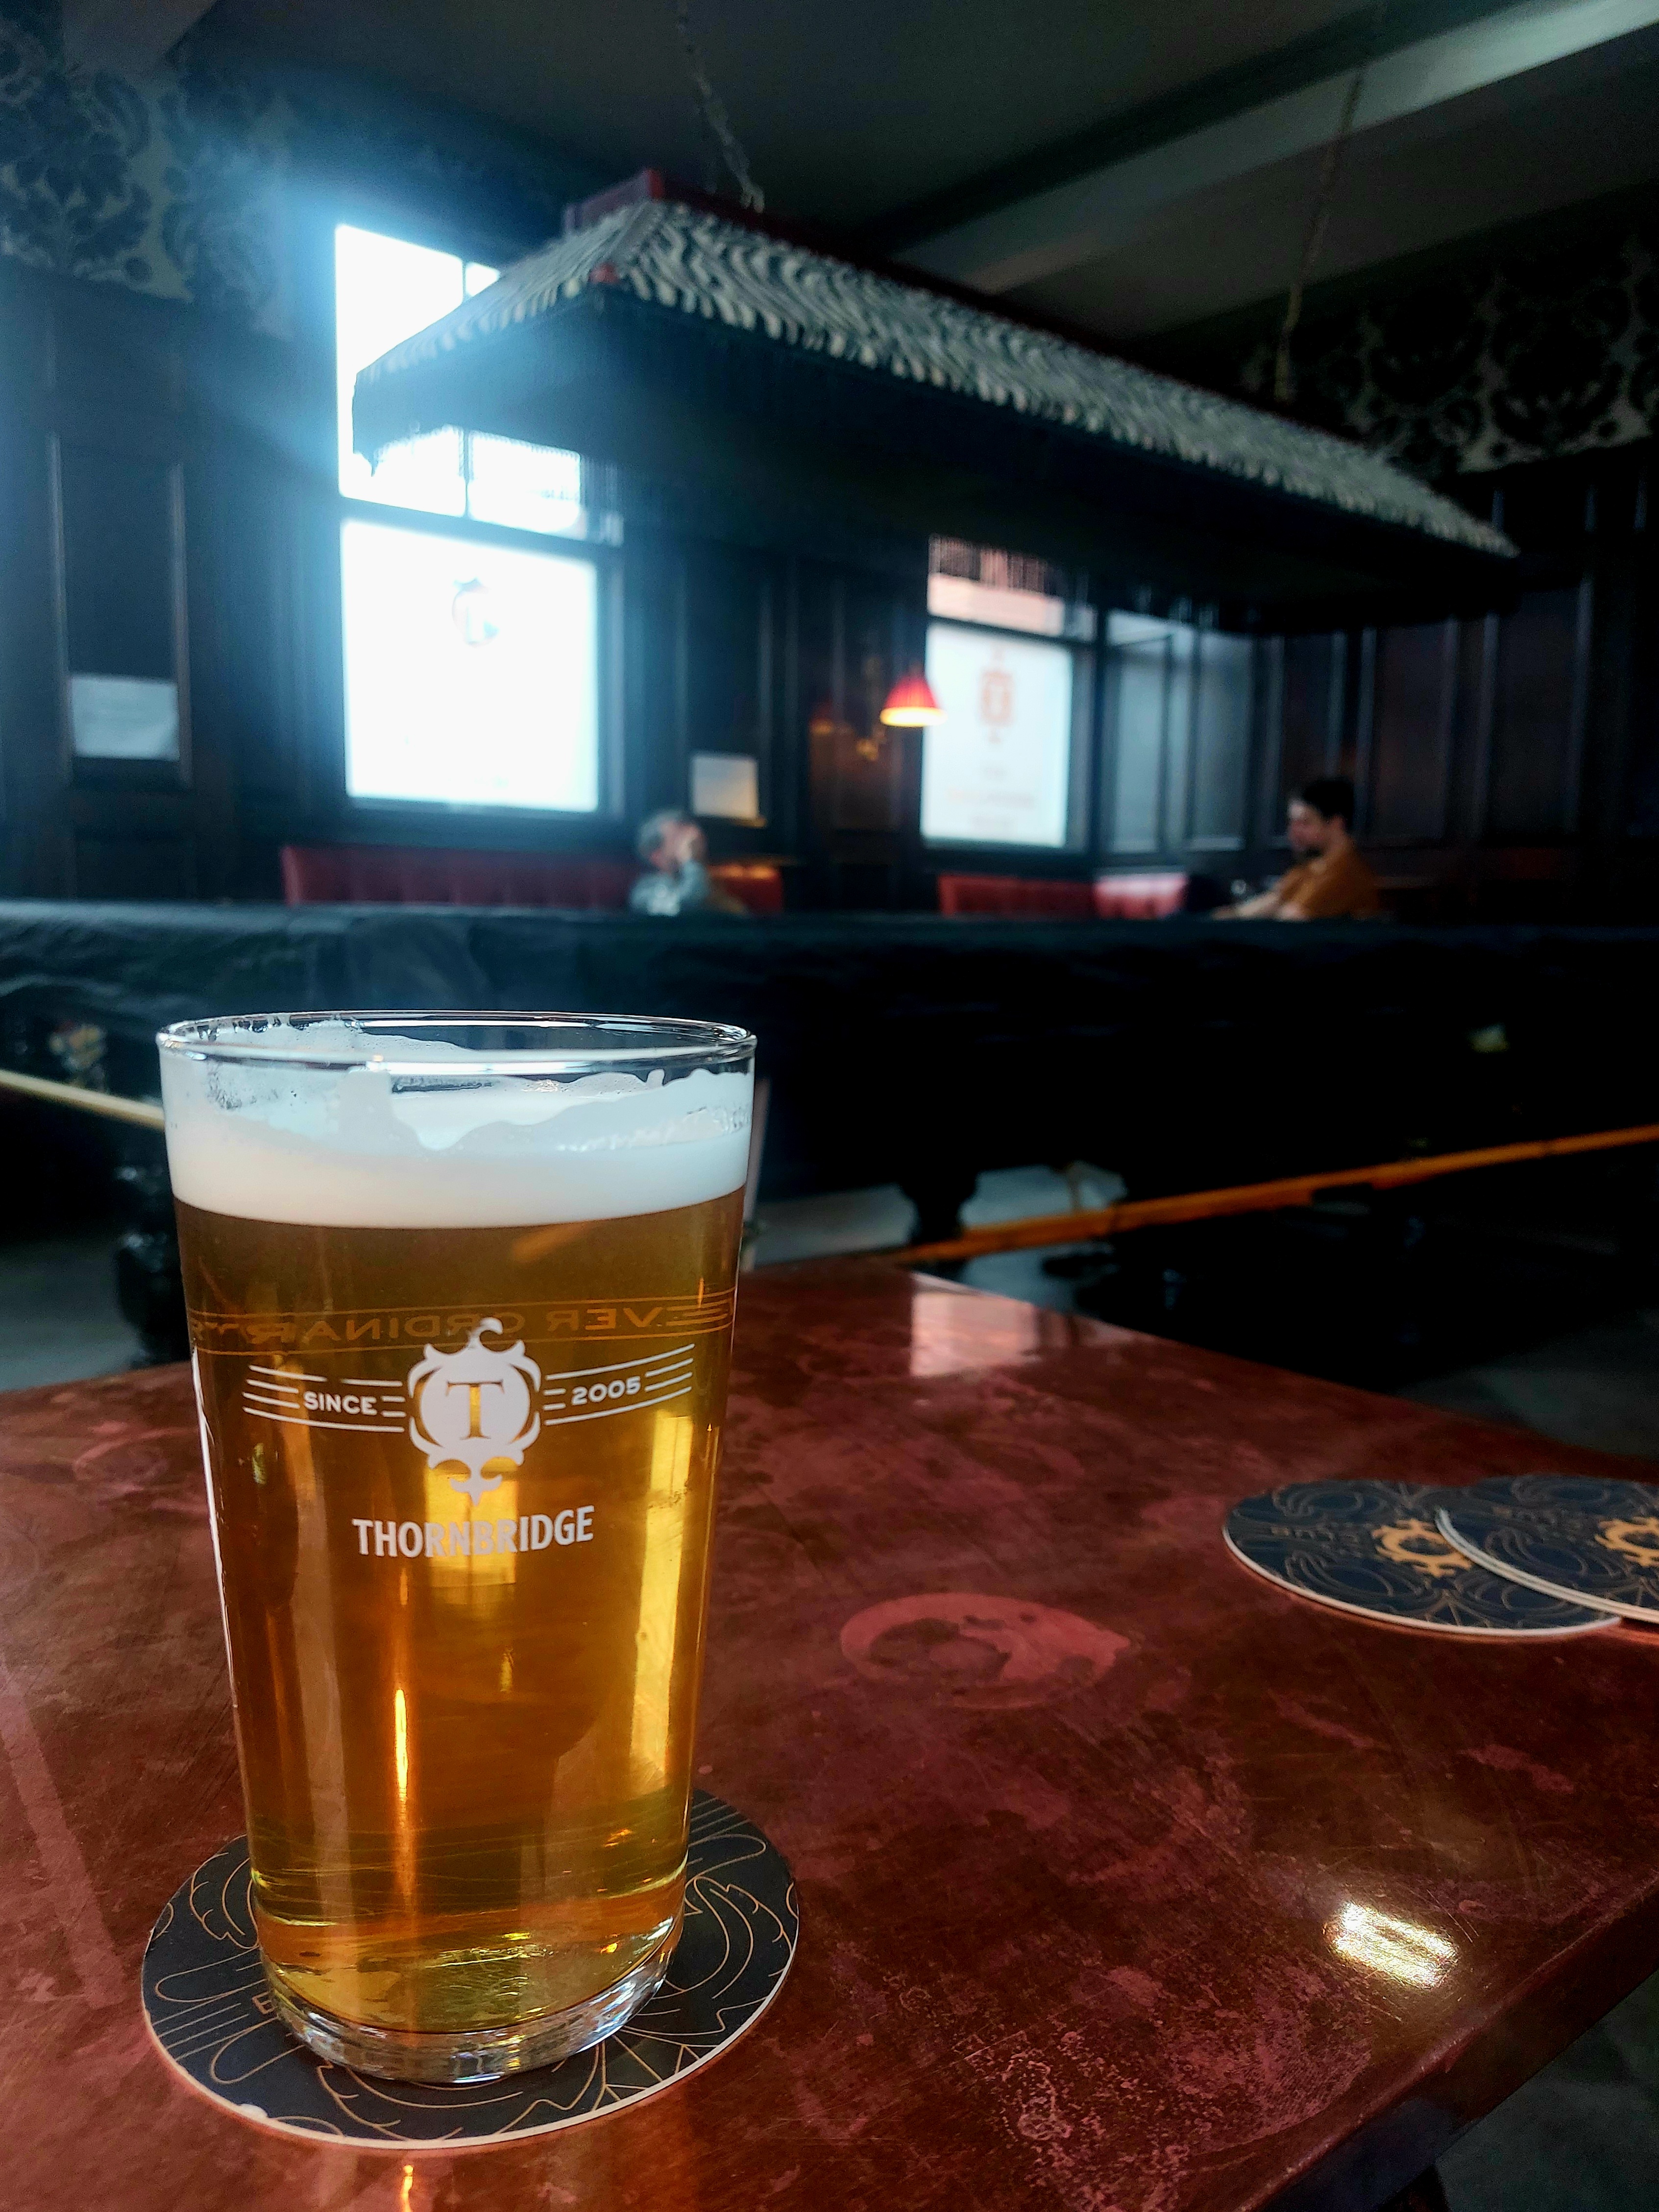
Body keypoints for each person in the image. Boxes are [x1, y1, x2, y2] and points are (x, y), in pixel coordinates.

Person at [1219, 778, 1381, 920]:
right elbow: (1267, 904)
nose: (1293, 833)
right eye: (1292, 822)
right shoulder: (1310, 868)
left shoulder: (1345, 873)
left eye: (1305, 823)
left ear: (1336, 824)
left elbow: (1291, 921)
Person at [629, 809, 746, 917]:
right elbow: (687, 907)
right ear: (657, 856)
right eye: (678, 838)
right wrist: (691, 861)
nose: (691, 841)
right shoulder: (645, 890)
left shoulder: (713, 884)